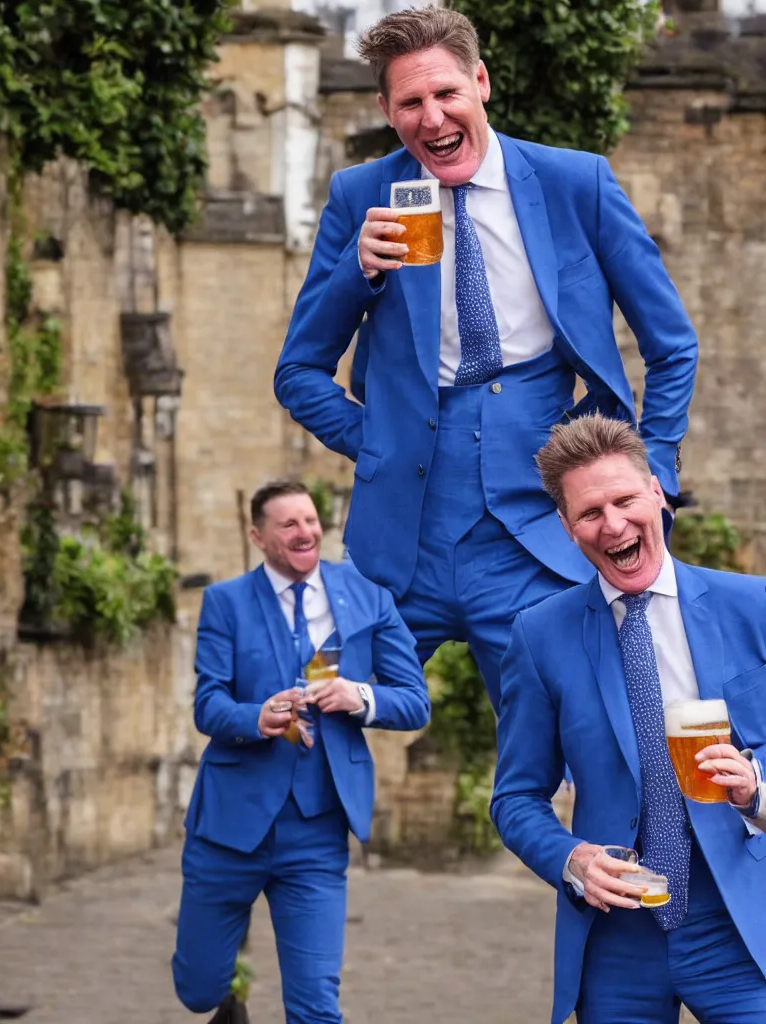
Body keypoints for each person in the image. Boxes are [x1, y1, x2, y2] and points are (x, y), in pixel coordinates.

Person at [274, 5, 698, 711]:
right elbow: (298, 372)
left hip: (539, 531)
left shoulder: (576, 184)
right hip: (401, 540)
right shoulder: (360, 197)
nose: (433, 119)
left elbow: (672, 343)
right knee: (306, 709)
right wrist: (358, 277)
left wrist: (652, 467)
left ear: (481, 81)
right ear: (386, 108)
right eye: (410, 102)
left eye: (446, 94)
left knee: (586, 733)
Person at [491, 413, 766, 1024]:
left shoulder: (754, 607)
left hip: (741, 923)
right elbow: (515, 798)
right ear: (567, 528)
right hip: (617, 936)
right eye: (589, 513)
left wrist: (755, 789)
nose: (612, 524)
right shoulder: (539, 636)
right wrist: (571, 859)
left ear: (658, 495)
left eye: (624, 500)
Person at [172, 481, 429, 1024]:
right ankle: (226, 1001)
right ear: (258, 536)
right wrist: (254, 718)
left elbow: (414, 702)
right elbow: (208, 703)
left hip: (316, 830)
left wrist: (358, 695)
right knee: (198, 989)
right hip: (229, 828)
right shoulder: (225, 602)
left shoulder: (369, 597)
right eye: (288, 524)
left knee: (315, 1006)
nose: (305, 532)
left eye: (310, 520)